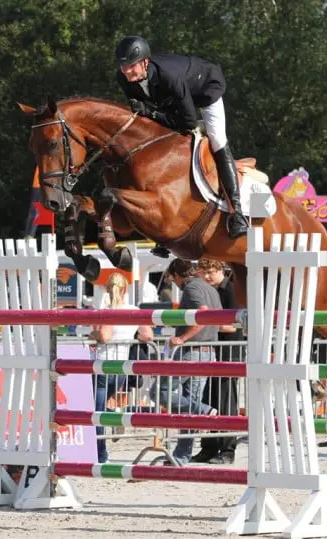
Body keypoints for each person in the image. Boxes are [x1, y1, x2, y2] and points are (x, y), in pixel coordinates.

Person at [114, 36, 248, 239]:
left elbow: (188, 122)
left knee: (217, 139)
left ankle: (236, 212)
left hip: (205, 89)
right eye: (123, 66)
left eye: (131, 66)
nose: (126, 71)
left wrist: (150, 113)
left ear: (145, 62)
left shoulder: (168, 76)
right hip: (174, 99)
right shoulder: (124, 78)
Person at [153, 258, 222, 465]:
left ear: (177, 275)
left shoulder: (191, 288)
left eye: (172, 278)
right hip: (208, 351)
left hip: (191, 351)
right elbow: (220, 321)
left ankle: (204, 410)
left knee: (160, 392)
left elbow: (204, 314)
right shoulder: (210, 289)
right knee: (188, 406)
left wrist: (182, 338)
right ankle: (181, 456)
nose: (173, 283)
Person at [88, 272, 154, 463]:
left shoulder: (108, 310)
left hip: (103, 363)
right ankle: (114, 418)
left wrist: (94, 334)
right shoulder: (133, 310)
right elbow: (147, 335)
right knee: (99, 407)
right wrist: (128, 336)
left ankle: (101, 455)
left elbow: (105, 337)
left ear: (107, 289)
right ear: (125, 289)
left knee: (95, 412)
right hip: (122, 365)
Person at [191, 259, 242, 464]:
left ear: (220, 269)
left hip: (230, 353)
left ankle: (228, 450)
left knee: (226, 402)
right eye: (203, 273)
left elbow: (235, 325)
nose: (207, 277)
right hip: (214, 352)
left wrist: (208, 324)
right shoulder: (210, 291)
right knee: (210, 400)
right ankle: (209, 447)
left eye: (210, 272)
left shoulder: (231, 290)